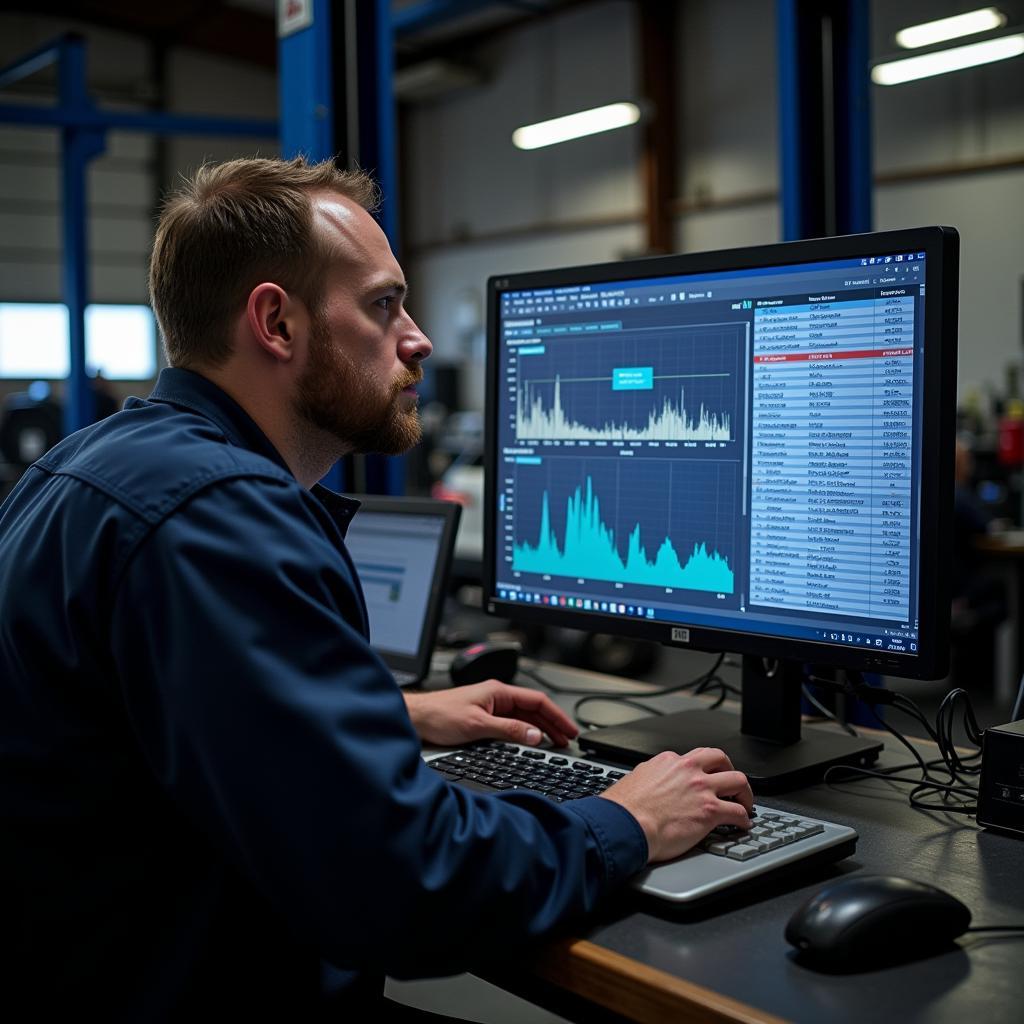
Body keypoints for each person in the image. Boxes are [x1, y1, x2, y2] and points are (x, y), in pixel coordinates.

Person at [0, 157, 753, 1018]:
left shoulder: (97, 462)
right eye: (383, 305)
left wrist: (391, 714)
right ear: (275, 322)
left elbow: (130, 728)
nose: (419, 338)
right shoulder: (219, 515)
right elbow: (401, 884)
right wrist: (626, 821)